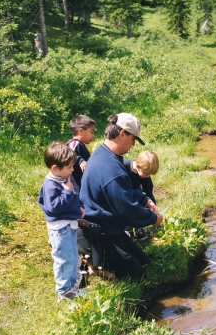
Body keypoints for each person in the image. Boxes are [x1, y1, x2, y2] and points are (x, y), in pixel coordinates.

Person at [79, 112, 163, 280]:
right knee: (137, 276)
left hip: (109, 226)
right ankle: (93, 264)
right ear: (122, 134)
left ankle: (98, 259)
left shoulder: (105, 154)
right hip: (99, 232)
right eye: (133, 139)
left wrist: (144, 199)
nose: (133, 145)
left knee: (143, 262)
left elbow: (123, 191)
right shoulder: (112, 168)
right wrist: (153, 219)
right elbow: (127, 209)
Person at [38, 141, 87, 302]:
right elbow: (53, 208)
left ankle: (72, 287)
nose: (72, 170)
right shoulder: (51, 185)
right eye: (69, 167)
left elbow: (74, 195)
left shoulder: (63, 178)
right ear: (55, 168)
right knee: (63, 259)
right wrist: (67, 192)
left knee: (72, 256)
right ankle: (64, 291)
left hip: (69, 225)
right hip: (60, 230)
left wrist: (79, 205)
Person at [124, 151, 159, 240]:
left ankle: (139, 227)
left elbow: (148, 191)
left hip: (136, 191)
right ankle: (128, 229)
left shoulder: (144, 174)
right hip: (123, 192)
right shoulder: (123, 167)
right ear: (138, 167)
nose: (148, 176)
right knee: (128, 206)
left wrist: (152, 207)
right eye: (147, 174)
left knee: (141, 200)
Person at [66, 115, 96, 189]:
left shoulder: (80, 145)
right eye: (91, 132)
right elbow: (68, 156)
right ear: (80, 131)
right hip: (75, 184)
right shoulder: (74, 143)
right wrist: (80, 160)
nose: (93, 135)